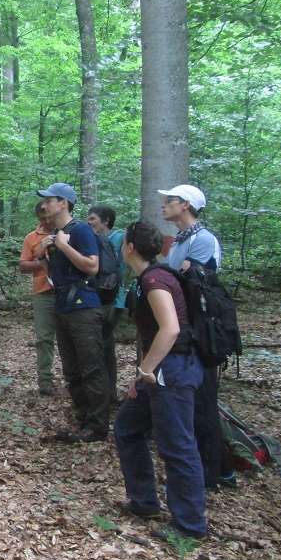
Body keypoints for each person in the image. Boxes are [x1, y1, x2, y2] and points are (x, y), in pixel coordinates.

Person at [114, 221, 208, 541]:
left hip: (174, 370)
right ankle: (145, 502)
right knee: (127, 426)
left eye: (123, 240)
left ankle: (190, 526)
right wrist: (143, 375)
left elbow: (170, 329)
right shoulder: (148, 277)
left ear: (130, 247)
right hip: (162, 368)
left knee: (178, 447)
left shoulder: (155, 280)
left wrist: (145, 371)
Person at [158, 184, 235, 492]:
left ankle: (209, 475)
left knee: (201, 405)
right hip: (184, 328)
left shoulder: (203, 240)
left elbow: (193, 283)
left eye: (170, 201)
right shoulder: (181, 241)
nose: (164, 205)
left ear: (186, 205)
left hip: (201, 334)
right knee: (194, 404)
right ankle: (220, 469)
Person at [36, 183, 109, 442]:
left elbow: (92, 267)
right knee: (72, 370)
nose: (44, 205)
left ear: (64, 203)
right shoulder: (58, 233)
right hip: (63, 306)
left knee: (90, 367)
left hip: (85, 308)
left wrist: (64, 246)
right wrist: (42, 255)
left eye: (49, 200)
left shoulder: (80, 231)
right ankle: (83, 421)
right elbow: (56, 276)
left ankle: (98, 426)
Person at [87, 204, 125, 406]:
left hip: (113, 299)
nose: (90, 222)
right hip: (96, 298)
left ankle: (106, 392)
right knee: (103, 345)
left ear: (106, 220)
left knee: (103, 345)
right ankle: (105, 391)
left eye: (93, 218)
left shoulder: (119, 239)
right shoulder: (90, 239)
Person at [19, 201, 56, 395]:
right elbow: (23, 266)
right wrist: (42, 259)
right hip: (42, 292)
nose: (47, 221)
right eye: (43, 219)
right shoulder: (31, 238)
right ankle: (45, 380)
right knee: (44, 339)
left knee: (71, 338)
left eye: (50, 216)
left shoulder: (67, 232)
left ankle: (74, 378)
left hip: (67, 292)